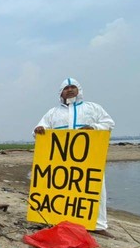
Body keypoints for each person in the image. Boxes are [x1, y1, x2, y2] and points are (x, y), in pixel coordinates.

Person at [33, 77, 115, 236]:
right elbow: (40, 129)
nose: (70, 90)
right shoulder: (53, 113)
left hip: (88, 158)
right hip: (60, 159)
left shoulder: (93, 108)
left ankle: (97, 225)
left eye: (73, 87)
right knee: (58, 189)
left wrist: (94, 127)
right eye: (66, 88)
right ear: (61, 92)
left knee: (94, 190)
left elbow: (108, 123)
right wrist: (39, 130)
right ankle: (55, 219)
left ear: (79, 90)